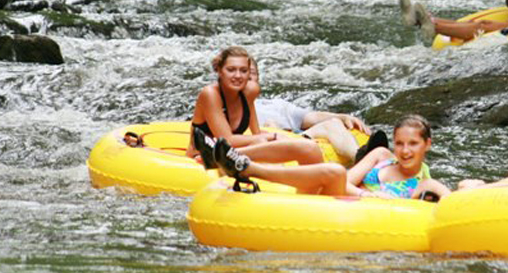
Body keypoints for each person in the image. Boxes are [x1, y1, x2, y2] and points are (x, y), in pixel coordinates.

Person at [202, 114, 452, 200]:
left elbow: (452, 203)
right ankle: (223, 158)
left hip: (353, 212)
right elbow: (347, 183)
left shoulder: (425, 184)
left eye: (413, 144)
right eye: (400, 143)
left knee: (335, 171)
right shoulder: (381, 155)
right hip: (337, 195)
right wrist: (367, 194)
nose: (405, 150)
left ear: (427, 145)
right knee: (310, 150)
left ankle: (248, 169)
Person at [185, 46, 323, 166]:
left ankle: (313, 182)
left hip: (233, 151)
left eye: (244, 71)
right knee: (263, 141)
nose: (238, 75)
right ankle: (277, 185)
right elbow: (227, 140)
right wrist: (268, 137)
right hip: (203, 155)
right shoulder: (210, 95)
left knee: (303, 147)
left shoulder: (251, 90)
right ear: (220, 71)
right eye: (231, 70)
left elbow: (254, 128)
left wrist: (269, 136)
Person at [248, 58, 381, 163]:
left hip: (293, 142)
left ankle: (362, 158)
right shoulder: (229, 111)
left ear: (258, 79)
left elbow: (311, 117)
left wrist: (343, 117)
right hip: (263, 149)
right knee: (270, 124)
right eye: (240, 71)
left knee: (333, 123)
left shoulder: (274, 105)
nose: (246, 76)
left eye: (251, 73)